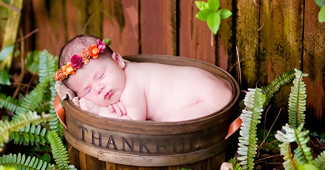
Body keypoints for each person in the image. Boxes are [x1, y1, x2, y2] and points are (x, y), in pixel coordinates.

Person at [56, 35, 233, 121]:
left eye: (101, 75)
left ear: (118, 61)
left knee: (170, 128)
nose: (98, 88)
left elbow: (134, 127)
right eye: (87, 90)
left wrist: (101, 111)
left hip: (209, 99)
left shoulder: (132, 86)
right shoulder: (123, 77)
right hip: (212, 85)